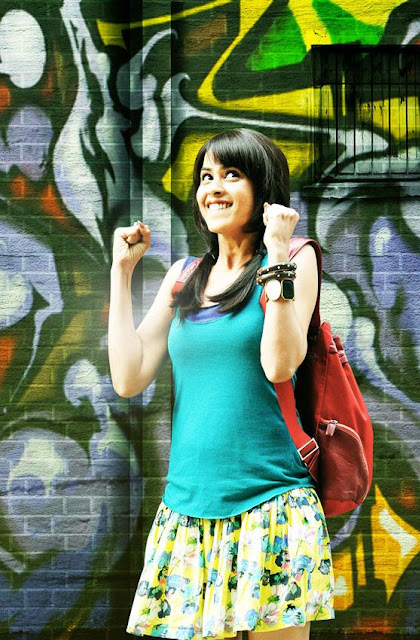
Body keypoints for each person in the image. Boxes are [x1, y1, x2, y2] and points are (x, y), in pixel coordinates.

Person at [108, 128, 335, 640]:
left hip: (271, 504)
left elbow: (280, 364)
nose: (213, 187)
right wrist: (121, 273)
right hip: (187, 510)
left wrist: (277, 252)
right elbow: (128, 376)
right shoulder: (184, 276)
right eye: (206, 176)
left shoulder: (294, 257)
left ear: (263, 187)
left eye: (232, 174)